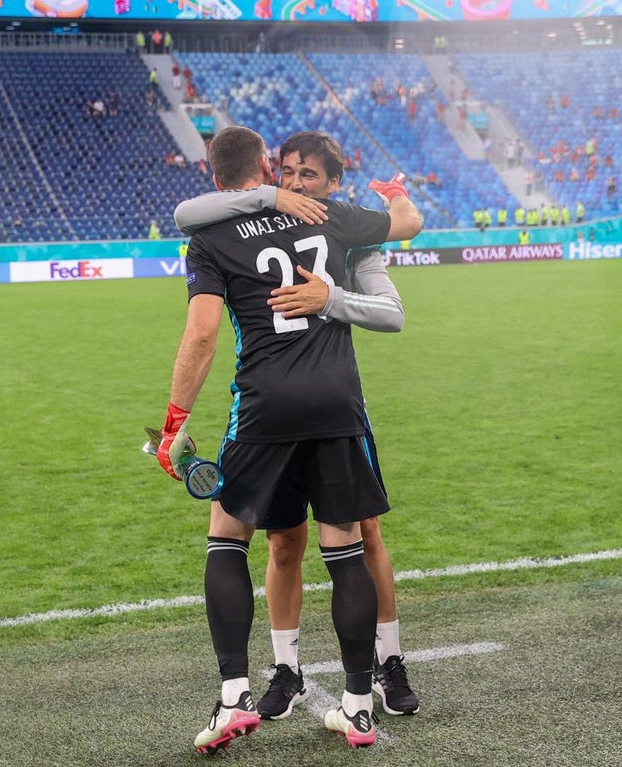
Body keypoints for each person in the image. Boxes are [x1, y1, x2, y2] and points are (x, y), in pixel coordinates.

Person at [155, 126, 421, 754]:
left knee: (227, 539)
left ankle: (232, 697)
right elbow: (404, 223)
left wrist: (173, 423)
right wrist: (392, 194)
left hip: (265, 405)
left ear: (216, 174)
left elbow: (200, 337)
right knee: (344, 547)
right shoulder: (331, 219)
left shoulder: (212, 233)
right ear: (269, 167)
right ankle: (358, 706)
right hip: (336, 402)